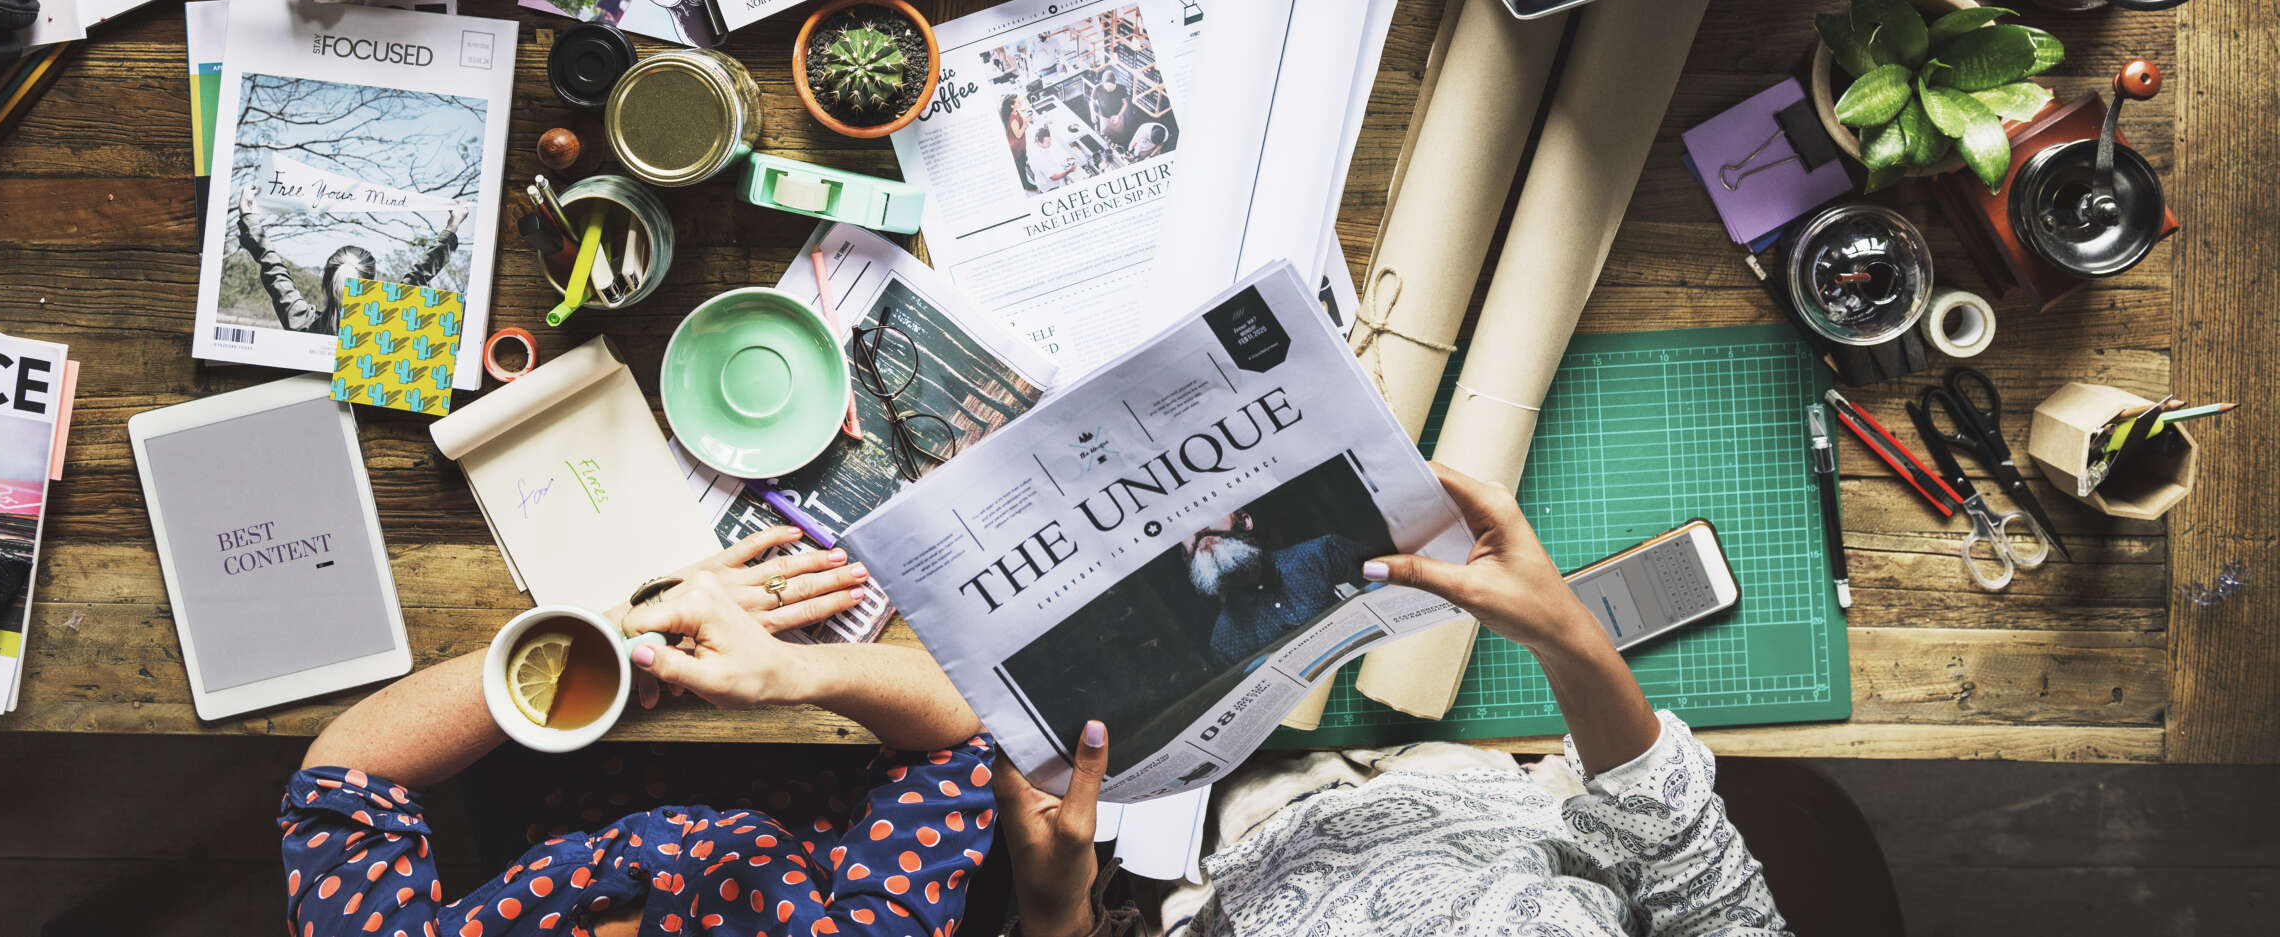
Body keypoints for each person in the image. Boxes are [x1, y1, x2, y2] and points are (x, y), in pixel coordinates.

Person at [998, 465, 1784, 936]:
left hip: (1229, 835)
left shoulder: (1308, 561)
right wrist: (1569, 637)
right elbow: (1704, 883)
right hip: (1473, 786)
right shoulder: (1246, 612)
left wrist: (1057, 916)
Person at [281, 531, 998, 937]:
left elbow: (342, 780)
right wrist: (788, 671)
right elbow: (953, 742)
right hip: (809, 746)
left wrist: (613, 627)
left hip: (548, 756)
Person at [234, 188, 463, 335]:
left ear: (326, 282)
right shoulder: (388, 324)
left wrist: (249, 216)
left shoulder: (302, 323)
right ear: (371, 281)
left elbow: (274, 270)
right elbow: (417, 277)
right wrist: (451, 228)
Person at [1183, 510, 1367, 669]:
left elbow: (1393, 583)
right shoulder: (1225, 642)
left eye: (1207, 512)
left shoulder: (1326, 552)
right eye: (1181, 528)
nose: (1198, 528)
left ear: (1245, 521)